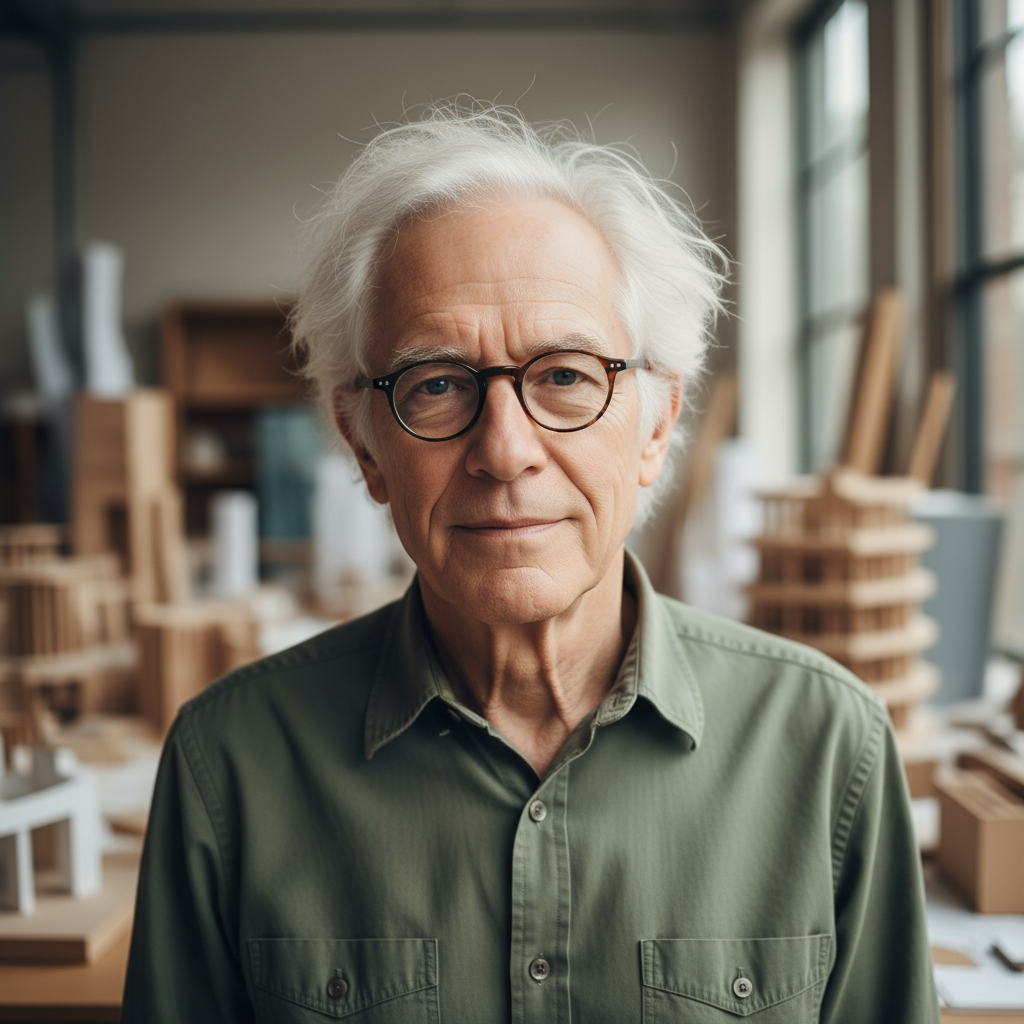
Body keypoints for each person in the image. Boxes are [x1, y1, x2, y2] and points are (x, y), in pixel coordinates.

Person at [122, 102, 939, 1023]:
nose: (505, 450)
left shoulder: (833, 753)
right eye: (436, 384)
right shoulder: (227, 767)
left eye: (564, 376)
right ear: (363, 446)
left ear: (657, 426)